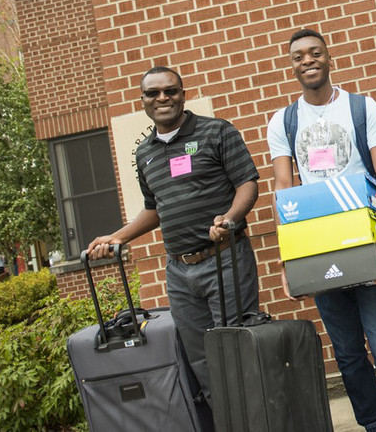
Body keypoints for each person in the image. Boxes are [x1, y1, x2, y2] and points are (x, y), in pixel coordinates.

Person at [267, 29, 376, 432]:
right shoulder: (283, 121)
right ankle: (375, 426)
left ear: (328, 57)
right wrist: (290, 256)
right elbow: (285, 190)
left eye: (315, 53)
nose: (307, 61)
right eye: (298, 56)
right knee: (347, 355)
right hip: (321, 249)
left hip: (367, 243)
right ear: (291, 65)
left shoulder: (362, 108)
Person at [87, 66, 260, 404]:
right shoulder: (145, 152)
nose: (162, 98)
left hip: (223, 260)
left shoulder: (217, 132)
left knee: (237, 350)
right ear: (143, 101)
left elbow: (247, 184)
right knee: (202, 363)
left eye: (170, 91)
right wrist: (118, 237)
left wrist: (229, 219)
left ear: (183, 94)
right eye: (153, 93)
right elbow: (154, 209)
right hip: (179, 272)